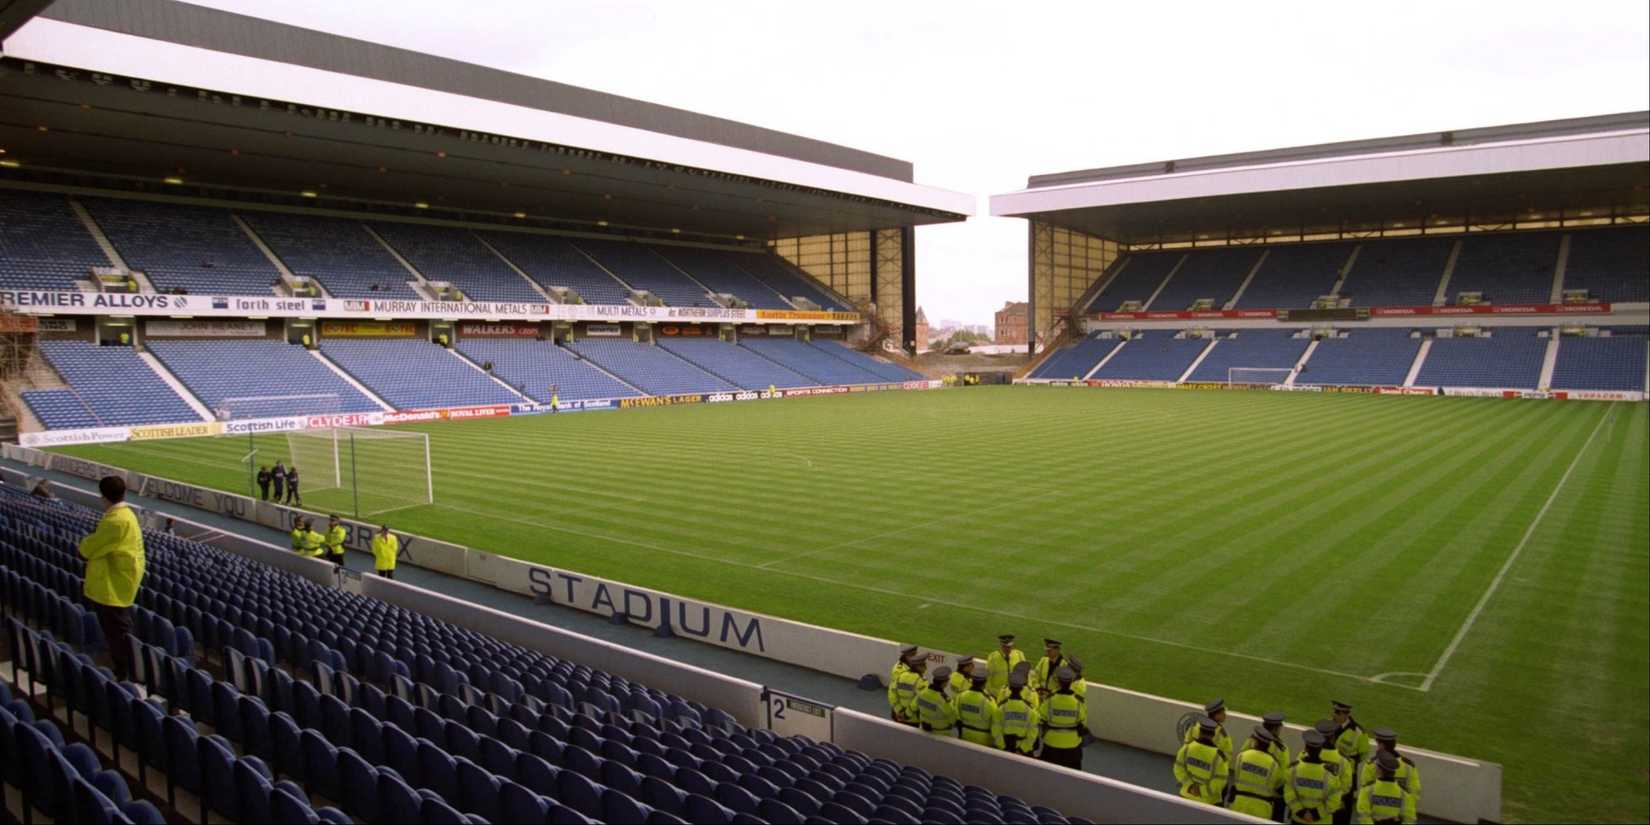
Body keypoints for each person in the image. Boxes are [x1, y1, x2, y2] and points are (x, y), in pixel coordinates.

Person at [78, 476, 145, 682]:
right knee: (117, 630)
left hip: (113, 586)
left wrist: (83, 545)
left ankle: (127, 673)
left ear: (103, 496)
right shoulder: (124, 515)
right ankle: (126, 670)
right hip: (115, 582)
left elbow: (89, 548)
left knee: (118, 632)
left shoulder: (116, 520)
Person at [1286, 730, 1342, 824]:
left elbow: (1289, 794)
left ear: (1306, 748)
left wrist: (1302, 813)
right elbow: (1334, 800)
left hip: (1298, 819)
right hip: (1322, 821)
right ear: (1321, 750)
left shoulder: (1293, 770)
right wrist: (1316, 814)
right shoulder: (1330, 775)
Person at [1230, 726, 1286, 819]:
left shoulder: (1242, 756)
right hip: (1262, 808)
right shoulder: (1274, 763)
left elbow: (1236, 774)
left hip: (1239, 804)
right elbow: (1278, 783)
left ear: (1255, 741)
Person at [1331, 701, 1372, 824]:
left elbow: (1364, 753)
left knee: (1344, 810)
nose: (1334, 714)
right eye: (1334, 711)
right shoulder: (1329, 726)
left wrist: (1348, 761)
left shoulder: (1358, 732)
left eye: (1337, 712)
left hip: (1348, 774)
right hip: (1330, 772)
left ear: (1346, 714)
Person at [1174, 715, 1230, 805]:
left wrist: (1190, 787)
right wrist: (1201, 791)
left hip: (1186, 795)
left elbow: (1178, 769)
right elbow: (1221, 781)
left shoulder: (1186, 748)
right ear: (1213, 735)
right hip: (1209, 802)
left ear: (1199, 732)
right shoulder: (1219, 757)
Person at [1037, 666, 1085, 770]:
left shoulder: (1049, 701)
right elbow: (1083, 722)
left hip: (1051, 744)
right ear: (1071, 682)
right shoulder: (1078, 702)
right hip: (1072, 747)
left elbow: (1041, 719)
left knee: (1048, 775)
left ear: (1058, 682)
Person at [1358, 729, 1420, 808]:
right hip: (1399, 813)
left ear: (1382, 746)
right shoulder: (1408, 765)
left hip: (1377, 813)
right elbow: (1414, 792)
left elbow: (1365, 791)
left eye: (1378, 744)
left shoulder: (1371, 764)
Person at [1354, 750, 1416, 825]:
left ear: (1380, 770)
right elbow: (1409, 818)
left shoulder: (1367, 790)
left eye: (1376, 766)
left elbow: (1363, 815)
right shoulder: (1404, 793)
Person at [954, 665, 1003, 749]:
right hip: (983, 741)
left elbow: (955, 716)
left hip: (964, 736)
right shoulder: (989, 702)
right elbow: (996, 724)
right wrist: (1001, 744)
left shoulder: (961, 696)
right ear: (984, 683)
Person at [1313, 719, 1353, 807]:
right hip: (1332, 806)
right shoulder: (1343, 761)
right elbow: (1346, 787)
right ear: (1333, 738)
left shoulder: (1305, 754)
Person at [1185, 698, 1235, 765]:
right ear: (1216, 715)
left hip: (1192, 764)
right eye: (1223, 713)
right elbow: (1226, 757)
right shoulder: (1222, 734)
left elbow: (1186, 744)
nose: (1225, 715)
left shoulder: (1195, 725)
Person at [1263, 710, 1292, 819]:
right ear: (1275, 729)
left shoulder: (1251, 740)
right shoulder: (1282, 749)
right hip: (1273, 796)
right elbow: (1282, 777)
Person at [914, 667, 958, 736]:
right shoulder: (944, 700)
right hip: (941, 734)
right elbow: (953, 718)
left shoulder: (922, 693)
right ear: (944, 683)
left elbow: (915, 707)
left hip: (923, 730)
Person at [888, 652, 926, 726]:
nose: (926, 668)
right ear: (918, 667)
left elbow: (892, 693)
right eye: (924, 665)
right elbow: (918, 700)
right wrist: (906, 714)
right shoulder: (921, 681)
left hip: (898, 714)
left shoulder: (901, 675)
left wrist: (899, 710)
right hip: (913, 718)